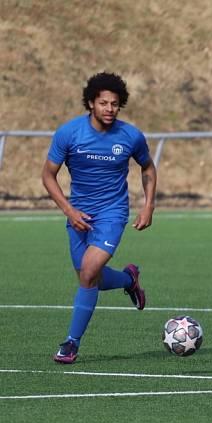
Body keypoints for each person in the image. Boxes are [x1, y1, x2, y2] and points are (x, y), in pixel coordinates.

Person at [42, 72, 157, 364]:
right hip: (78, 213)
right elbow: (48, 175)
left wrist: (148, 206)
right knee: (87, 275)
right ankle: (129, 279)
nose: (109, 109)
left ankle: (71, 343)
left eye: (115, 104)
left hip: (112, 213)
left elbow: (148, 168)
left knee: (90, 270)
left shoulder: (130, 136)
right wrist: (68, 210)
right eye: (103, 103)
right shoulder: (69, 133)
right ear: (91, 103)